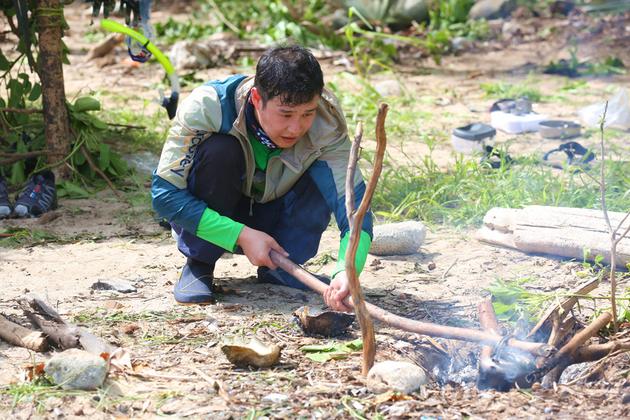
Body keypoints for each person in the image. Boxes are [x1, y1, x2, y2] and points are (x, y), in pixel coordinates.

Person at [151, 45, 373, 311]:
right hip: (217, 214)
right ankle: (200, 263)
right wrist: (241, 234)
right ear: (257, 99)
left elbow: (354, 208)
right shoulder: (208, 106)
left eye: (307, 113)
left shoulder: (327, 124)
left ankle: (280, 270)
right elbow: (165, 196)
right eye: (286, 114)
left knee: (324, 174)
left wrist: (348, 269)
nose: (296, 128)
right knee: (219, 151)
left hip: (277, 218)